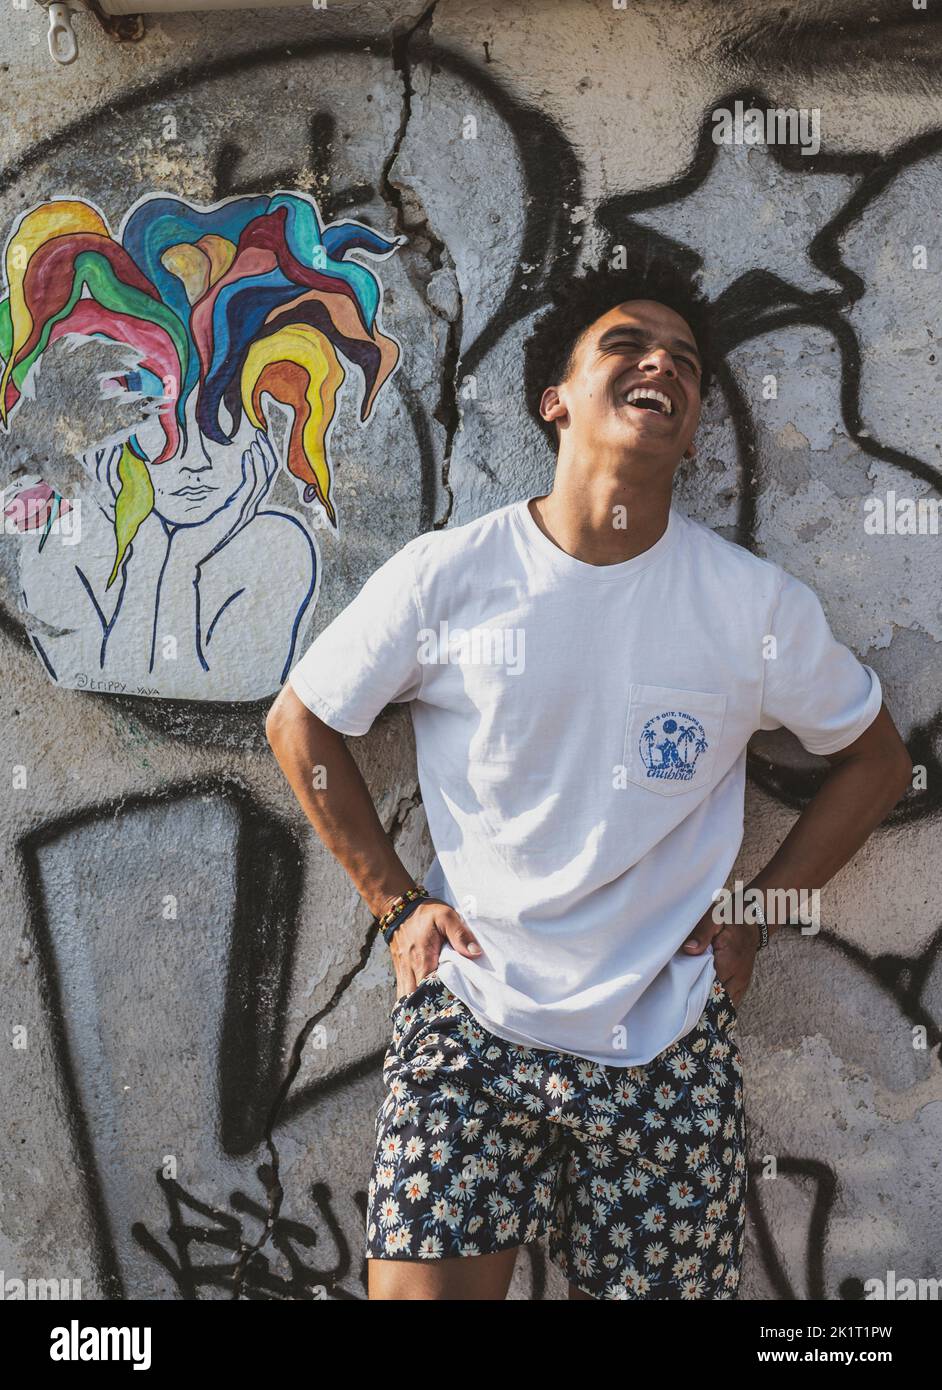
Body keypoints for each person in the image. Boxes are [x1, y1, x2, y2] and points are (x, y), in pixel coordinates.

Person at [265, 256, 912, 1301]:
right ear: (554, 399)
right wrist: (396, 907)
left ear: (692, 425)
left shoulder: (751, 607)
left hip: (667, 1035)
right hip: (473, 1020)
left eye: (687, 363)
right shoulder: (451, 576)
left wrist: (753, 909)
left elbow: (877, 762)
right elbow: (301, 724)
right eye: (627, 343)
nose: (664, 362)